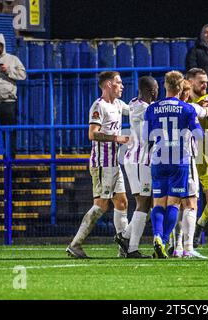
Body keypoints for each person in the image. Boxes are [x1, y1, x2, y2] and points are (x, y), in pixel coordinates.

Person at [66, 71, 130, 259]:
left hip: (113, 163)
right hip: (102, 163)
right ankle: (75, 244)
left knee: (122, 202)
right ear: (108, 84)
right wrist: (116, 137)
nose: (122, 86)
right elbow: (92, 134)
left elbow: (135, 110)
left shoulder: (118, 104)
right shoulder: (99, 106)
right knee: (101, 205)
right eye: (118, 82)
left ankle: (124, 248)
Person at [143, 71, 203, 259]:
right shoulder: (187, 109)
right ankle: (164, 239)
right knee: (175, 203)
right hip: (180, 161)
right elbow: (199, 135)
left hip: (158, 160)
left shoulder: (151, 109)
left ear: (165, 86)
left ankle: (157, 237)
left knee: (158, 203)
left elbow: (145, 137)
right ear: (180, 87)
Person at [114, 76, 159, 259]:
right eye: (155, 89)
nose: (157, 91)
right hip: (141, 160)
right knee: (143, 203)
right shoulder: (146, 109)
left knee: (146, 203)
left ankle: (124, 237)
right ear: (152, 91)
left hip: (134, 158)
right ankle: (131, 248)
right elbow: (149, 135)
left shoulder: (133, 102)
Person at [185, 68, 208, 248]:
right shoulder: (182, 101)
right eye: (201, 81)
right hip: (185, 157)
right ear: (190, 82)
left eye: (207, 81)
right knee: (179, 203)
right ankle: (178, 242)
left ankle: (198, 229)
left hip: (207, 158)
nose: (205, 85)